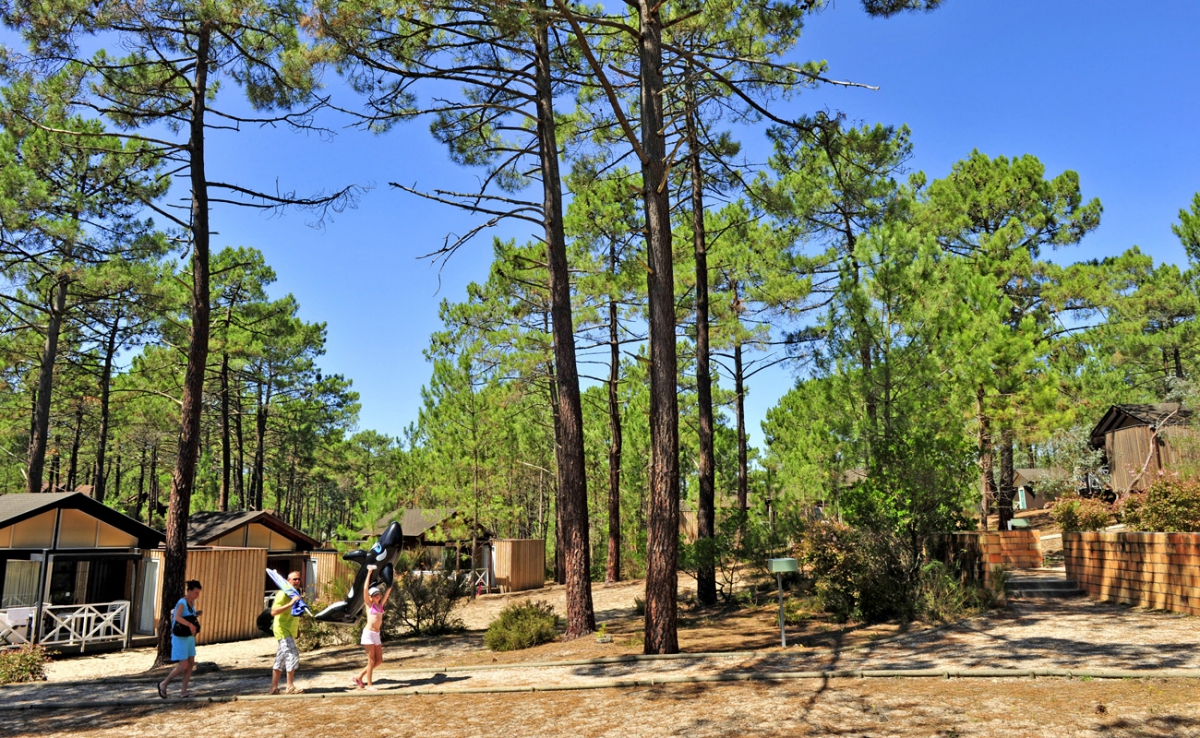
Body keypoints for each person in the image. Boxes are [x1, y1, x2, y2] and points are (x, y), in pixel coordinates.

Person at [158, 580, 202, 699]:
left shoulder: (191, 602)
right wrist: (190, 625)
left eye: (198, 593)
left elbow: (188, 616)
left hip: (189, 637)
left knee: (191, 663)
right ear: (189, 591)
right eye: (196, 593)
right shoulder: (182, 602)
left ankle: (183, 690)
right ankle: (164, 683)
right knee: (183, 665)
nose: (197, 595)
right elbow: (177, 617)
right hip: (180, 637)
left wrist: (196, 615)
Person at [353, 565, 391, 690]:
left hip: (376, 634)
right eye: (374, 595)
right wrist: (369, 573)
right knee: (371, 661)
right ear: (370, 597)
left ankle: (359, 676)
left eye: (378, 594)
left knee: (379, 660)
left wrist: (391, 576)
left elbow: (389, 589)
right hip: (368, 633)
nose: (377, 596)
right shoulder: (369, 605)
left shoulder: (381, 605)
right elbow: (365, 589)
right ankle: (370, 685)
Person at [268, 570, 304, 695]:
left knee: (281, 659)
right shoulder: (283, 594)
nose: (297, 581)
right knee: (292, 654)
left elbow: (295, 612)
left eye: (298, 579)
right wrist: (290, 603)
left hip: (290, 629)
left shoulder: (295, 593)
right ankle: (289, 686)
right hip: (282, 629)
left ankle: (273, 688)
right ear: (288, 581)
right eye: (294, 579)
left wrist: (297, 629)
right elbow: (273, 612)